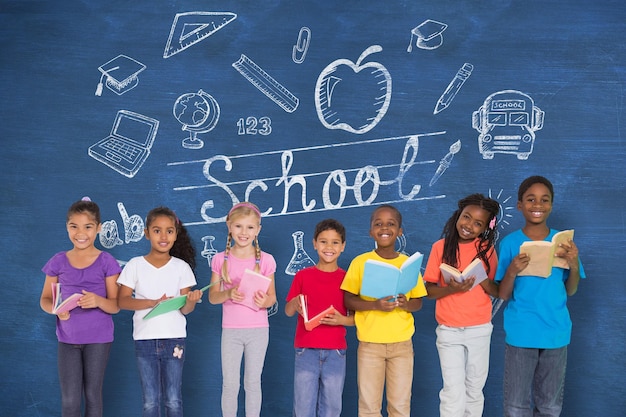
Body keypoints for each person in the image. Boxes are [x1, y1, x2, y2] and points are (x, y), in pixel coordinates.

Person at [496, 176, 585, 417]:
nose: (538, 205)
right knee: (516, 405)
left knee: (550, 406)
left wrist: (574, 264)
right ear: (519, 205)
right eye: (531, 199)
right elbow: (503, 294)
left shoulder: (564, 242)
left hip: (556, 332)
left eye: (544, 200)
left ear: (552, 205)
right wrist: (513, 271)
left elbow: (571, 290)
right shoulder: (510, 243)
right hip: (522, 331)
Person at [340, 204, 427, 417]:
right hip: (370, 344)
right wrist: (375, 305)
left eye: (391, 224)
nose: (384, 228)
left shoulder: (407, 263)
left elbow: (418, 302)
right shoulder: (360, 262)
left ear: (400, 231)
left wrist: (406, 303)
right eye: (378, 224)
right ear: (371, 231)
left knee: (400, 406)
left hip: (402, 345)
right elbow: (348, 300)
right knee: (369, 407)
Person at [39, 197, 122, 417]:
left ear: (98, 229)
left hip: (99, 339)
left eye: (87, 227)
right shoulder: (58, 261)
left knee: (93, 395)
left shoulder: (107, 261)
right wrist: (55, 310)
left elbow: (115, 305)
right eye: (74, 226)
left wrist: (97, 301)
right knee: (70, 400)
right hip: (67, 339)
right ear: (67, 227)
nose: (80, 233)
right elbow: (46, 299)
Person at [117, 206, 203, 417]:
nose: (163, 236)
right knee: (150, 401)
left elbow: (185, 309)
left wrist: (191, 300)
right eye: (157, 230)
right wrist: (152, 302)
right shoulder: (135, 265)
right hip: (145, 340)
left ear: (175, 234)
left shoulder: (182, 267)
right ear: (146, 233)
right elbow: (122, 301)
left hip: (175, 340)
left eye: (169, 231)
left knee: (173, 400)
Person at [422, 194, 500, 417]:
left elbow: (495, 290)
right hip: (449, 330)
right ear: (458, 215)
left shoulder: (487, 250)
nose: (469, 225)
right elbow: (427, 290)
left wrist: (481, 278)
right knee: (452, 391)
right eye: (466, 217)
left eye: (478, 223)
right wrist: (451, 289)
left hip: (479, 329)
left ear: (486, 227)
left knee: (474, 389)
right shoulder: (440, 247)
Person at [208, 202, 277, 417]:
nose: (244, 232)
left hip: (258, 330)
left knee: (252, 382)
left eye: (249, 227)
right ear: (229, 226)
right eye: (238, 226)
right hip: (231, 330)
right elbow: (212, 297)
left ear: (258, 230)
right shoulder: (220, 260)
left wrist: (263, 301)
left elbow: (273, 298)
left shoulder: (266, 260)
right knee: (230, 384)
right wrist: (228, 294)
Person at [285, 219, 355, 417]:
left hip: (336, 352)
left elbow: (357, 318)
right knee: (303, 406)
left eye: (335, 242)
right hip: (305, 350)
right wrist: (295, 303)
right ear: (314, 243)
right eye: (323, 241)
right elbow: (288, 311)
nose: (329, 247)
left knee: (332, 408)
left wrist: (341, 320)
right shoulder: (302, 276)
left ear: (343, 246)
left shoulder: (348, 278)